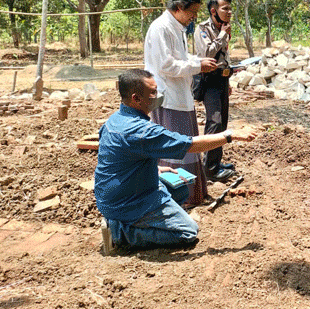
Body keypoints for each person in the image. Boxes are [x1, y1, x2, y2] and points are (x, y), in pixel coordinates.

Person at [95, 69, 256, 254]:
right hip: (128, 202)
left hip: (117, 192)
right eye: (153, 92)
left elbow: (120, 160)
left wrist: (155, 169)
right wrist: (230, 135)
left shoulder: (114, 120)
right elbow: (190, 144)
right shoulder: (140, 131)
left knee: (180, 189)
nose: (159, 95)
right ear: (136, 99)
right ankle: (120, 232)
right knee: (187, 232)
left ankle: (154, 220)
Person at [144, 0, 218, 206]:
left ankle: (191, 193)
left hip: (180, 95)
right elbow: (165, 65)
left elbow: (181, 58)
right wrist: (197, 66)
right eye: (192, 12)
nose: (194, 17)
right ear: (178, 8)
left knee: (186, 145)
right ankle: (178, 196)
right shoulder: (161, 28)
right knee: (175, 148)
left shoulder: (177, 27)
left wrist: (200, 62)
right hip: (168, 97)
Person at [194, 0, 236, 182]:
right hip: (209, 80)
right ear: (213, 11)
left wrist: (227, 81)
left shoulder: (223, 29)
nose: (229, 12)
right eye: (225, 9)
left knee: (223, 123)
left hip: (222, 80)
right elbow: (206, 55)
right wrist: (222, 36)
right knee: (214, 122)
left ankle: (215, 164)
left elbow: (223, 57)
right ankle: (209, 170)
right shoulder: (203, 29)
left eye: (229, 9)